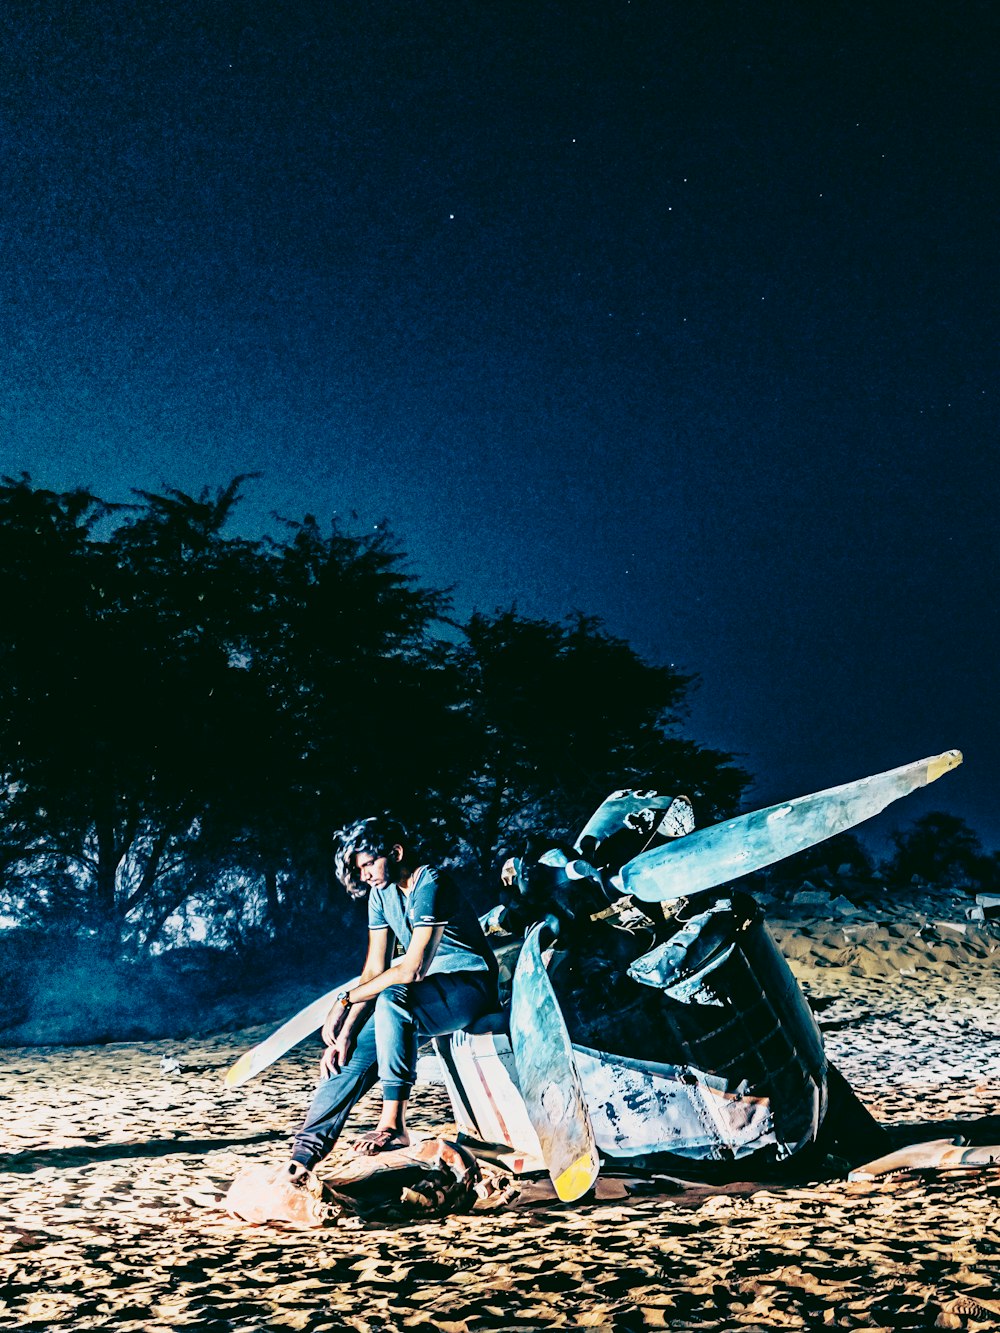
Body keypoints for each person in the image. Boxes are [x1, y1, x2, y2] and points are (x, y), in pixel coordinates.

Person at [288, 816, 499, 1171]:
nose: (366, 873)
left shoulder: (431, 882)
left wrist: (345, 1000)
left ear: (396, 852)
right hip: (418, 996)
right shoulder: (380, 894)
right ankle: (303, 1157)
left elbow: (412, 968)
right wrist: (346, 1030)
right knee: (346, 1056)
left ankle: (393, 1125)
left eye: (370, 863)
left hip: (470, 987)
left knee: (392, 997)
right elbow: (374, 970)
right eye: (361, 867)